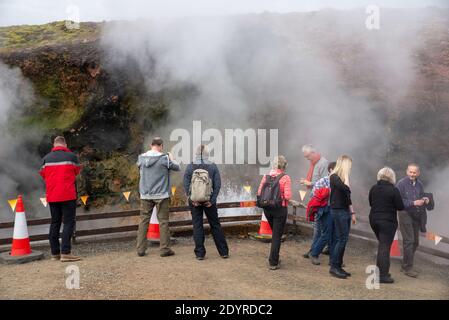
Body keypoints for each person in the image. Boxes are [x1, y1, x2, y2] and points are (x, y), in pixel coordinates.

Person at [136, 137, 180, 257]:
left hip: (145, 194)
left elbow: (139, 167)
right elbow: (177, 167)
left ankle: (140, 249)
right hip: (162, 195)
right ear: (161, 146)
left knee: (144, 221)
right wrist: (172, 158)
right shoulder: (164, 158)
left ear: (151, 145)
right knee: (163, 222)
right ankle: (164, 249)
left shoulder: (141, 158)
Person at [39, 136, 81, 262]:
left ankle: (55, 253)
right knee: (68, 222)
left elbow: (42, 174)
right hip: (68, 195)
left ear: (54, 145)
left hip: (52, 196)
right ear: (65, 144)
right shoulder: (72, 157)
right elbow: (76, 171)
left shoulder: (46, 158)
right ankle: (66, 252)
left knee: (55, 222)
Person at [183, 145, 229, 260]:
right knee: (215, 225)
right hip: (209, 201)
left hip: (195, 201)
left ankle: (200, 253)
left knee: (197, 225)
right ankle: (223, 252)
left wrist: (192, 199)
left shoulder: (190, 166)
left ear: (196, 154)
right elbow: (217, 185)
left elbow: (186, 183)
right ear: (207, 154)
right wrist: (212, 200)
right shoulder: (212, 166)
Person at [369, 167, 404, 284]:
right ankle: (382, 275)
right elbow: (400, 206)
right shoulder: (394, 190)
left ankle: (383, 271)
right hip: (387, 222)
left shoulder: (374, 188)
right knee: (384, 247)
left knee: (383, 245)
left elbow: (370, 202)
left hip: (374, 220)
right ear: (392, 177)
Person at [396, 163, 431, 278]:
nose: (412, 174)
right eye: (410, 172)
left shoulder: (419, 184)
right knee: (409, 241)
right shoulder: (401, 184)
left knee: (415, 242)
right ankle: (407, 267)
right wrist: (413, 203)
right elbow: (398, 200)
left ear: (418, 173)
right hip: (404, 213)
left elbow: (421, 196)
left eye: (414, 172)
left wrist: (425, 199)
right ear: (407, 172)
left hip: (416, 215)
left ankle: (405, 263)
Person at [257, 155, 292, 270]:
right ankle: (273, 262)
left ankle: (274, 258)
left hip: (267, 209)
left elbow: (259, 193)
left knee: (274, 234)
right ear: (284, 166)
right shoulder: (285, 178)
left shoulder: (266, 176)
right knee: (277, 236)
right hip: (279, 209)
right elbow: (287, 196)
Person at [329, 155, 356, 279]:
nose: (350, 167)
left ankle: (338, 266)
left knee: (343, 239)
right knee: (341, 239)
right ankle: (334, 267)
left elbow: (348, 196)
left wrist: (352, 213)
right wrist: (346, 179)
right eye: (348, 165)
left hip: (345, 210)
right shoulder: (334, 177)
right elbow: (345, 189)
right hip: (338, 210)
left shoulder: (343, 178)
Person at [300, 144, 329, 258]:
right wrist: (307, 181)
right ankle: (322, 248)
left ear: (313, 152)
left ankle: (314, 251)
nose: (307, 159)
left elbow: (326, 183)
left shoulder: (323, 163)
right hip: (314, 198)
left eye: (307, 156)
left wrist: (310, 183)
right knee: (318, 226)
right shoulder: (313, 163)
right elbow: (317, 180)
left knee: (318, 227)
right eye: (305, 157)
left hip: (321, 200)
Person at [307, 161, 336, 266]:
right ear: (331, 170)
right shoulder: (323, 181)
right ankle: (313, 253)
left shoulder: (339, 181)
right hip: (323, 210)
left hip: (333, 210)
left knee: (332, 234)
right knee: (323, 233)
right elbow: (315, 196)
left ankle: (334, 259)